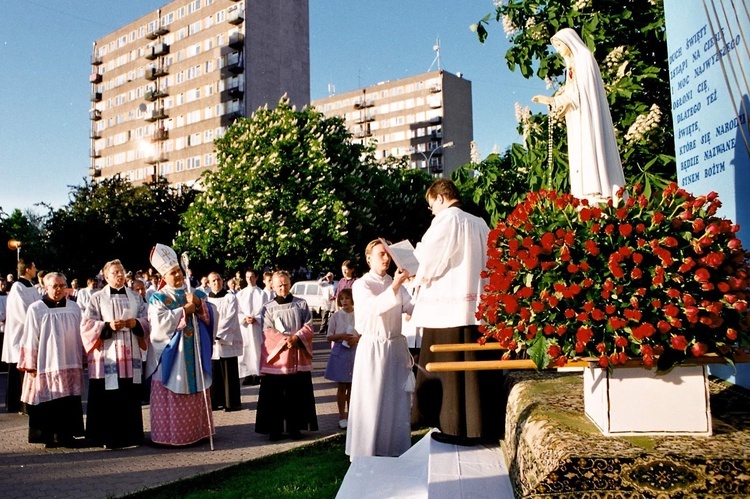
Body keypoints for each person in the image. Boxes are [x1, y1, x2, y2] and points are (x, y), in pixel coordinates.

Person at [410, 179, 504, 445]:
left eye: (431, 205)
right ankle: (481, 427)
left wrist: (411, 264)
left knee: (450, 371)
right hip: (476, 309)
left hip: (448, 311)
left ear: (440, 198)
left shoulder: (446, 221)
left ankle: (453, 427)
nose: (431, 211)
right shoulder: (479, 222)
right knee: (475, 373)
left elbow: (429, 262)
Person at [532, 28, 626, 204]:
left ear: (569, 42)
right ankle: (586, 193)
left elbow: (583, 95)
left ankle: (597, 189)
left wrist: (553, 100)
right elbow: (573, 95)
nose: (559, 50)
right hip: (579, 120)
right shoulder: (572, 64)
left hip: (589, 120)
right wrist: (558, 105)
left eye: (559, 45)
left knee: (591, 148)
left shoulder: (583, 58)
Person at [346, 240, 414, 459]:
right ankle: (367, 454)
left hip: (394, 348)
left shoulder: (397, 284)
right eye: (381, 254)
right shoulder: (361, 285)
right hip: (373, 349)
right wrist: (395, 285)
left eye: (388, 254)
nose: (386, 258)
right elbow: (374, 307)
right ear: (369, 259)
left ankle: (394, 450)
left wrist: (418, 282)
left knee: (395, 402)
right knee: (371, 401)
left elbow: (412, 305)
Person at [146, 244, 215, 446]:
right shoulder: (158, 298)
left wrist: (199, 304)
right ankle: (170, 435)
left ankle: (198, 432)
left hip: (193, 351)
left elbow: (211, 316)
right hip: (172, 354)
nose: (177, 276)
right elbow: (158, 324)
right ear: (163, 277)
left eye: (178, 271)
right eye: (172, 273)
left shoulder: (193, 292)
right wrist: (185, 310)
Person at [80, 259, 150, 448]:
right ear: (106, 276)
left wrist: (136, 323)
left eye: (121, 271)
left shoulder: (136, 297)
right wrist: (107, 326)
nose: (119, 275)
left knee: (128, 395)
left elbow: (147, 319)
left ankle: (132, 436)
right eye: (115, 272)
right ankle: (106, 437)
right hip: (107, 355)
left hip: (130, 355)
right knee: (108, 395)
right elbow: (86, 325)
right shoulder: (96, 298)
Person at [18, 272, 85, 448]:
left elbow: (81, 335)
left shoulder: (74, 307)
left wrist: (84, 358)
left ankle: (67, 434)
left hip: (70, 360)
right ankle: (48, 436)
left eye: (62, 285)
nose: (59, 289)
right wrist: (30, 363)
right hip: (46, 362)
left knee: (68, 400)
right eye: (54, 286)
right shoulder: (37, 308)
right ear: (45, 287)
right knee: (48, 400)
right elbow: (30, 337)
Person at [255, 270, 318, 441]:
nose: (283, 287)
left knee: (295, 395)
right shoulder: (268, 308)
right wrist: (284, 340)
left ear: (290, 283)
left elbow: (309, 325)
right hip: (278, 359)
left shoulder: (301, 304)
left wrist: (297, 337)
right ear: (273, 286)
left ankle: (295, 428)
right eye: (279, 284)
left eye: (286, 283)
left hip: (297, 353)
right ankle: (274, 429)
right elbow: (267, 330)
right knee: (275, 396)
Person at [3, 259, 41, 413]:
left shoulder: (30, 286)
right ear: (27, 270)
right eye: (34, 267)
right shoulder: (18, 287)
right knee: (19, 371)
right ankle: (19, 405)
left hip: (30, 332)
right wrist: (36, 322)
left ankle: (25, 403)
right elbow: (23, 312)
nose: (36, 269)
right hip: (20, 334)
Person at [206, 272, 243, 412]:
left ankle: (231, 402)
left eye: (218, 279)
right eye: (213, 280)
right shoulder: (206, 300)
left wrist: (218, 334)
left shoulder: (230, 297)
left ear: (222, 281)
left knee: (229, 371)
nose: (216, 283)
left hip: (226, 340)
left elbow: (231, 316)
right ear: (209, 283)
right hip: (212, 341)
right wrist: (210, 334)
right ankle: (215, 401)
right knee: (214, 371)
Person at [323, 288, 358, 429]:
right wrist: (341, 336)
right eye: (342, 299)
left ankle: (352, 415)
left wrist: (356, 339)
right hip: (340, 351)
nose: (344, 301)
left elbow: (364, 333)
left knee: (353, 386)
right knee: (342, 385)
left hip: (355, 350)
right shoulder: (336, 316)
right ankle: (341, 415)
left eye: (347, 298)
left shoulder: (359, 315)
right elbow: (329, 336)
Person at [237, 269, 264, 386]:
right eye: (247, 277)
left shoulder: (263, 294)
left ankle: (257, 374)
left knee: (257, 349)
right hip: (245, 327)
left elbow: (265, 310)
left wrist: (256, 318)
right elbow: (237, 311)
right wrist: (244, 318)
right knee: (245, 350)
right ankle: (247, 374)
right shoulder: (240, 294)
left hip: (257, 326)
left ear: (256, 277)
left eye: (252, 276)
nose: (250, 279)